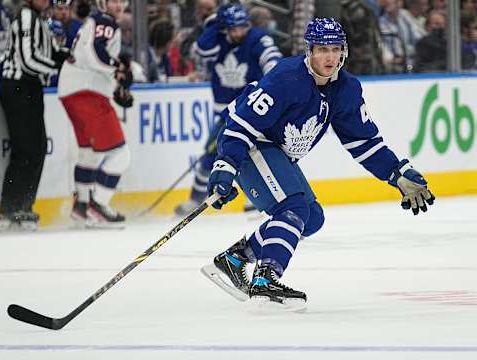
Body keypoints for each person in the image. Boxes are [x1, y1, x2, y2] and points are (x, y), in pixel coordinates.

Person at [201, 18, 435, 312]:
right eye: (322, 49)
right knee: (293, 208)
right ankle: (266, 279)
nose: (329, 57)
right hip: (251, 144)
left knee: (311, 218)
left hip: (275, 151)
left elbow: (364, 141)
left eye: (336, 49)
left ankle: (235, 259)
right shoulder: (286, 78)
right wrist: (225, 166)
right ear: (309, 50)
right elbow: (243, 124)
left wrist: (397, 172)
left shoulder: (345, 88)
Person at [174, 3, 282, 216]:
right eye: (233, 28)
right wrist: (214, 24)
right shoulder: (218, 40)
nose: (239, 32)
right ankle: (195, 199)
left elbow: (272, 58)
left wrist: (274, 81)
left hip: (252, 111)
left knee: (257, 155)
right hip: (226, 113)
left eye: (242, 26)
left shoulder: (257, 38)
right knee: (211, 153)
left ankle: (258, 199)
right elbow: (201, 50)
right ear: (225, 28)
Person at [58, 0, 132, 228]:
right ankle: (96, 205)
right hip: (86, 92)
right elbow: (95, 53)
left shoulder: (95, 20)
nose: (118, 5)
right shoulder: (105, 21)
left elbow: (92, 57)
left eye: (122, 1)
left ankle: (81, 207)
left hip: (71, 89)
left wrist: (117, 82)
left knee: (88, 153)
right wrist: (117, 68)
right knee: (121, 155)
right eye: (113, 0)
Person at [0, 0, 69, 231]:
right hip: (18, 88)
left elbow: (49, 52)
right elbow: (29, 59)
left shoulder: (38, 19)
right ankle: (10, 209)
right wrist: (56, 66)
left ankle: (24, 206)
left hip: (30, 89)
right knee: (26, 149)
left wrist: (66, 56)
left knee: (37, 148)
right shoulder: (27, 16)